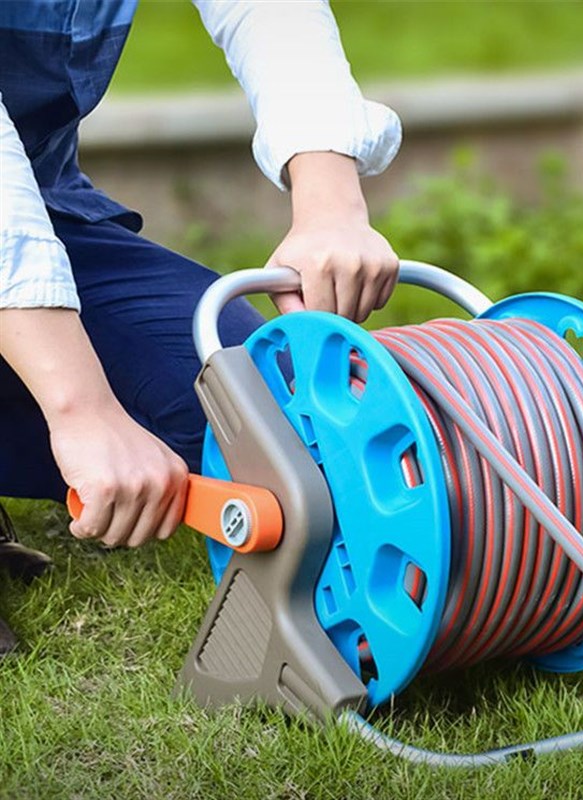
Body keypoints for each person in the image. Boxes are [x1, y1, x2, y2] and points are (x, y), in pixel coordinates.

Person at [0, 1, 402, 655]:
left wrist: (330, 205)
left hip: (42, 209)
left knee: (245, 404)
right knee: (86, 408)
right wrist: (81, 407)